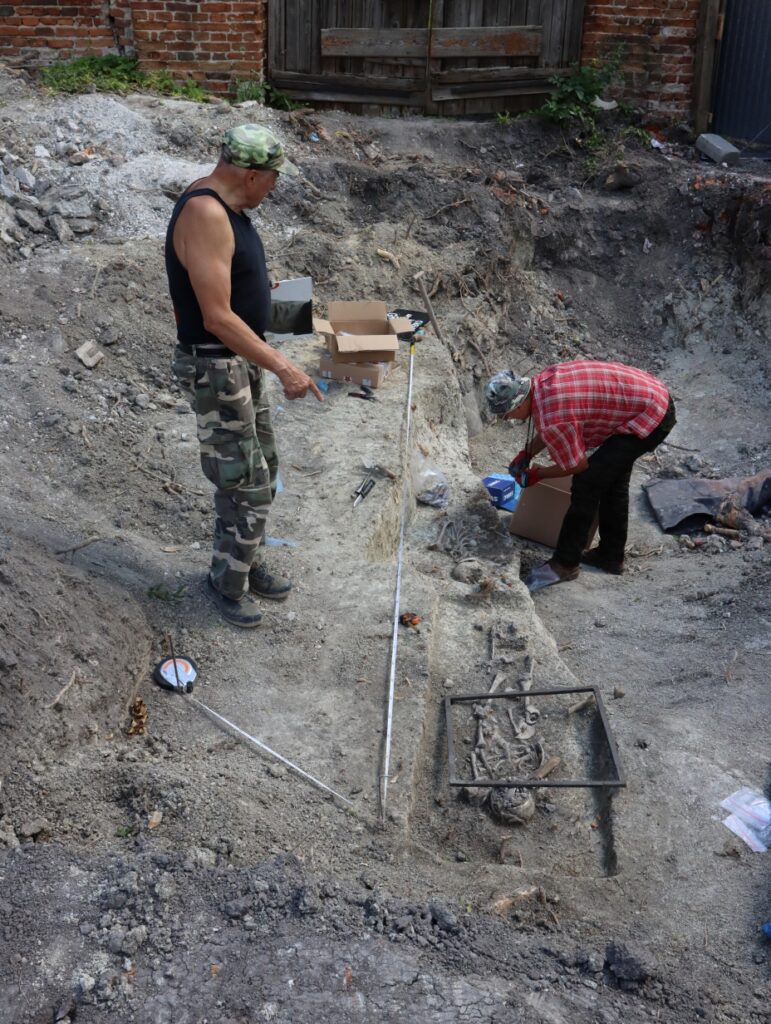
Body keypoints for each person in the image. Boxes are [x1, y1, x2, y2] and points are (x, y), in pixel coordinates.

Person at [165, 124, 323, 627]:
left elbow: (223, 282)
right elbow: (215, 316)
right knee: (244, 483)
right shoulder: (206, 211)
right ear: (252, 176)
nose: (275, 188)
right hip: (218, 366)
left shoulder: (224, 205)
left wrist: (262, 292)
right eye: (273, 179)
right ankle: (226, 583)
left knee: (262, 470)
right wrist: (284, 367)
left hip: (237, 362)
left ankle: (243, 560)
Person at [485, 360, 676, 592]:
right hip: (647, 396)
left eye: (507, 415)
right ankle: (611, 556)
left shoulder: (554, 416)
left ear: (517, 404)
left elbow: (577, 464)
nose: (509, 420)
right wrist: (527, 452)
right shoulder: (542, 384)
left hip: (651, 414)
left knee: (587, 482)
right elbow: (554, 425)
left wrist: (538, 474)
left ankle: (565, 563)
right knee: (612, 478)